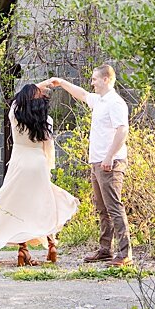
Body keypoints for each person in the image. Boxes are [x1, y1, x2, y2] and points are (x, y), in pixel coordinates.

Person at [0, 82, 79, 265]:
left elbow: (18, 98)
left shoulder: (15, 114)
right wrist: (48, 167)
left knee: (18, 205)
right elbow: (48, 147)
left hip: (19, 162)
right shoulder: (46, 120)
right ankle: (51, 244)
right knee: (44, 204)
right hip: (38, 162)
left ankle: (23, 249)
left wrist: (40, 85)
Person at [44, 64, 132, 266]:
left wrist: (109, 157)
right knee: (102, 208)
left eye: (94, 79)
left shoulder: (115, 103)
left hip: (110, 163)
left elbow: (122, 130)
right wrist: (62, 82)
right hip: (97, 162)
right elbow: (82, 94)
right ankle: (105, 249)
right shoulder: (99, 100)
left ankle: (125, 253)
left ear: (106, 79)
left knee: (114, 207)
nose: (91, 82)